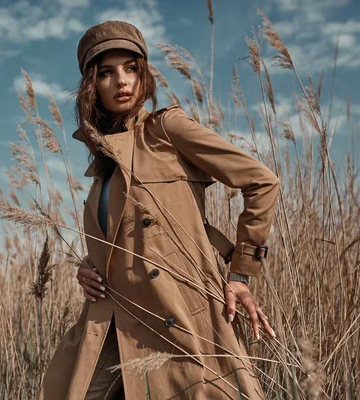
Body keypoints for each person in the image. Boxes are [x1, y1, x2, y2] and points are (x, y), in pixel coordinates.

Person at [43, 20, 280, 400]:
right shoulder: (102, 168)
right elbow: (126, 235)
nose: (121, 80)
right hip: (112, 321)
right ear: (92, 86)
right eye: (107, 73)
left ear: (144, 76)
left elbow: (262, 181)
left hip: (177, 314)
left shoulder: (166, 129)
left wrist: (241, 274)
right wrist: (88, 266)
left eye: (131, 68)